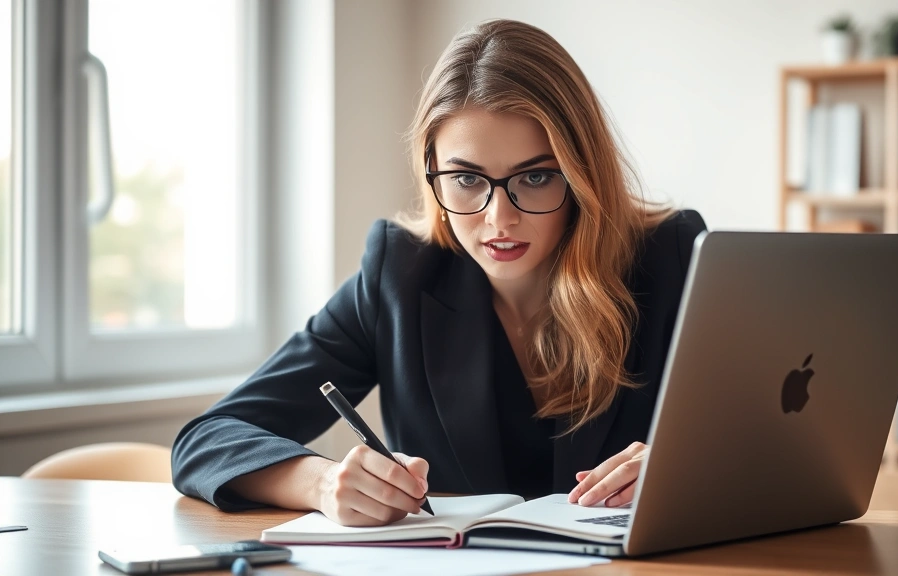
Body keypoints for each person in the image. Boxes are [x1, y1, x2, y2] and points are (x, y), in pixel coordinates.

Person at [171, 18, 706, 528]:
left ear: (582, 171)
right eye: (467, 179)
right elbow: (207, 441)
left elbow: (776, 437)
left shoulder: (672, 255)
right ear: (433, 176)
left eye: (537, 176)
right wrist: (323, 482)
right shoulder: (402, 273)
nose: (500, 217)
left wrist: (685, 466)